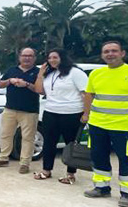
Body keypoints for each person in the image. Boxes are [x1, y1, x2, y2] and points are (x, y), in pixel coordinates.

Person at [82, 41, 128, 207]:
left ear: (122, 53)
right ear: (102, 55)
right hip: (98, 124)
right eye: (106, 51)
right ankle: (101, 187)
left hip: (124, 126)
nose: (110, 54)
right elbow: (89, 95)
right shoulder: (96, 74)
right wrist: (86, 115)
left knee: (127, 159)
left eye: (114, 51)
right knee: (98, 156)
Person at [31, 49, 88, 183]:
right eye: (49, 58)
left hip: (71, 113)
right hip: (51, 111)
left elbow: (86, 94)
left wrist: (86, 113)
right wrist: (40, 74)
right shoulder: (49, 74)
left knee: (71, 144)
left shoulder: (75, 73)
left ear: (63, 57)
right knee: (49, 143)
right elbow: (39, 90)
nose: (52, 60)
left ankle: (70, 174)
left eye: (55, 57)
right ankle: (46, 170)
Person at [0, 48, 41, 173]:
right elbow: (0, 84)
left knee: (28, 138)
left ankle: (24, 163)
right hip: (10, 109)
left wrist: (27, 84)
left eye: (30, 56)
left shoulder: (38, 72)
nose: (27, 58)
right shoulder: (12, 70)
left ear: (34, 58)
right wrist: (9, 81)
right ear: (19, 57)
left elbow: (41, 90)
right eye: (24, 55)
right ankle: (3, 158)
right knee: (6, 134)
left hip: (29, 111)